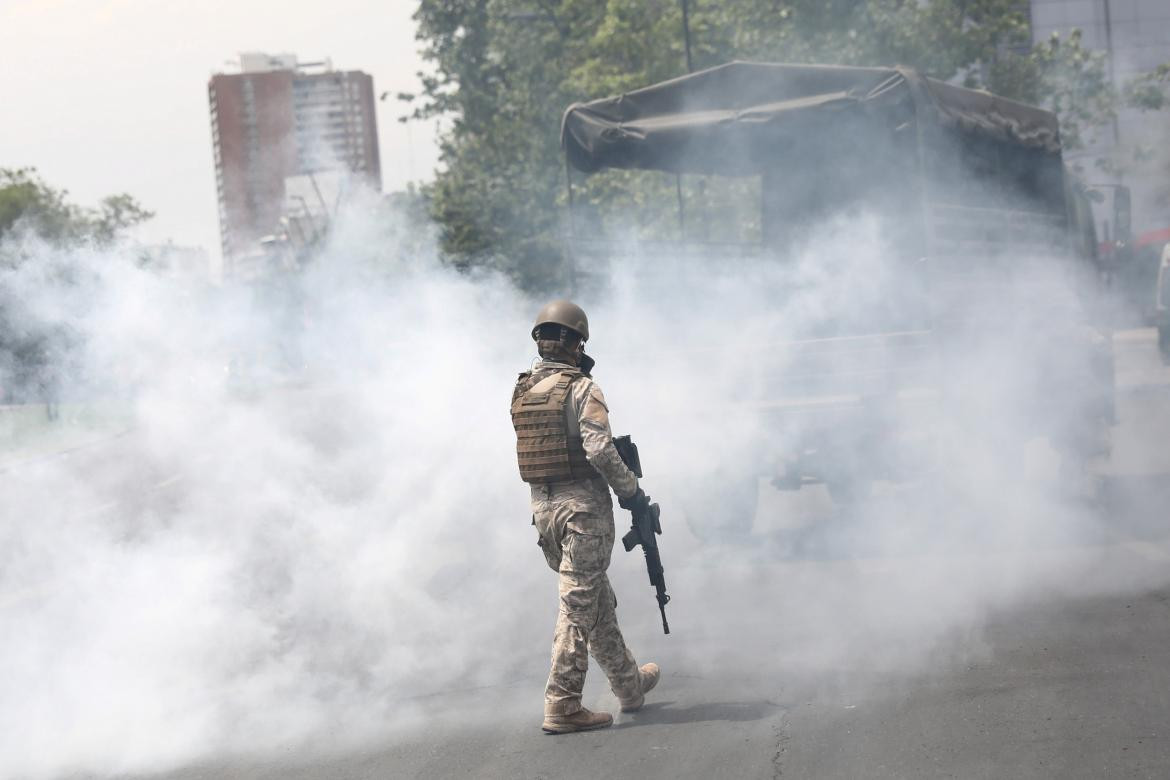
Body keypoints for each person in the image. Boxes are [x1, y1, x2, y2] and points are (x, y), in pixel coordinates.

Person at [510, 300, 660, 734]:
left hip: (544, 513)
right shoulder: (582, 389)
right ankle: (562, 704)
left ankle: (630, 686)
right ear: (577, 344)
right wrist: (631, 491)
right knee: (577, 606)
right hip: (582, 514)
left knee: (594, 600)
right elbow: (598, 449)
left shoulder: (521, 391)